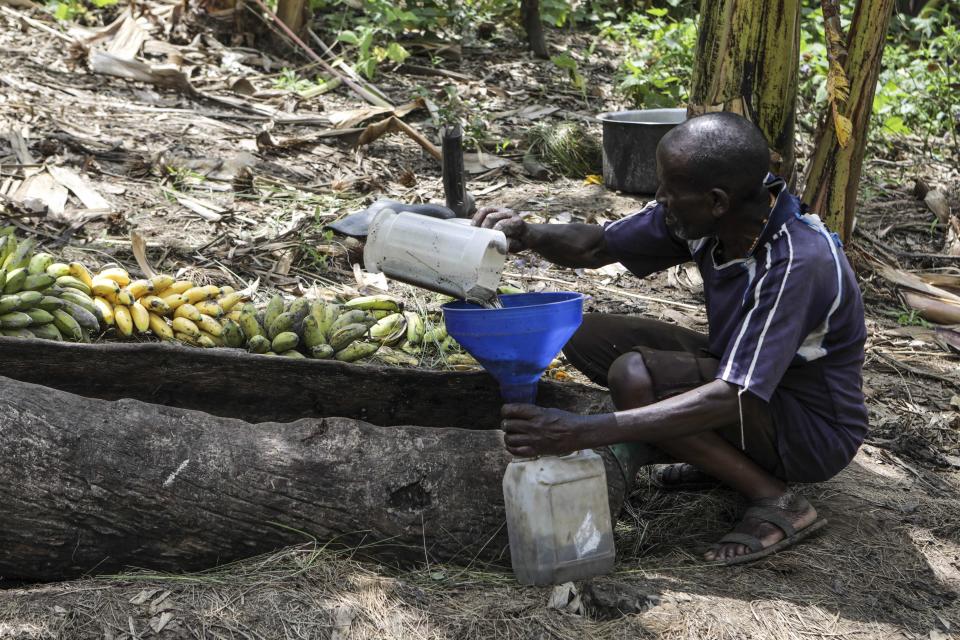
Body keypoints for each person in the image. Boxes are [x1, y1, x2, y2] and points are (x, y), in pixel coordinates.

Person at [472, 112, 867, 565]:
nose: (660, 198)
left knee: (634, 375)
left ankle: (777, 499)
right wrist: (527, 233)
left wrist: (580, 432)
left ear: (716, 201)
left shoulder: (797, 262)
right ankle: (721, 461)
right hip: (752, 383)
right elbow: (597, 247)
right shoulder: (715, 218)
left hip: (812, 428)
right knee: (583, 333)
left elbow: (733, 395)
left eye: (669, 189)